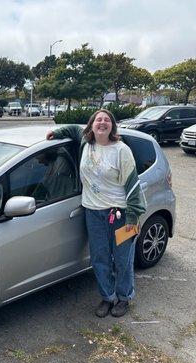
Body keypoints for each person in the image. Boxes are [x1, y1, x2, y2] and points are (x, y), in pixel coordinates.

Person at [46, 109, 146, 318]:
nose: (102, 123)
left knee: (123, 259)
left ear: (112, 126)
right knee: (99, 258)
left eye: (107, 120)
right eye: (98, 119)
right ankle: (107, 297)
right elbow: (73, 129)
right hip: (93, 213)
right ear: (91, 125)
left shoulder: (121, 150)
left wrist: (133, 218)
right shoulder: (86, 143)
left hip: (121, 213)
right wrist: (56, 132)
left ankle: (124, 297)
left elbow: (134, 186)